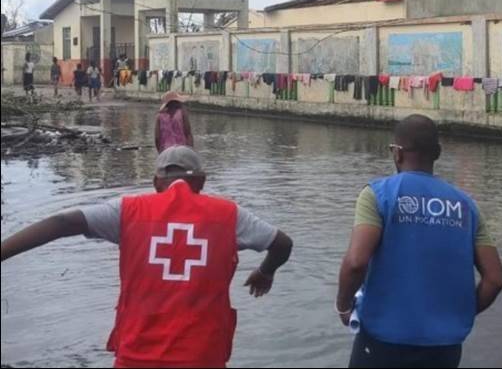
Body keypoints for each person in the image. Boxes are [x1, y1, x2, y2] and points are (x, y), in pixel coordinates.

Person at [1, 146, 293, 368]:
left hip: (138, 352)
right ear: (202, 182)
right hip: (202, 353)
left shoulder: (127, 211)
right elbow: (282, 244)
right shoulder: (230, 216)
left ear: (156, 182)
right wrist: (265, 272)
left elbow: (63, 223)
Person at [336, 115, 502, 369]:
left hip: (383, 343)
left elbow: (356, 262)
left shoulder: (379, 195)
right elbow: (495, 279)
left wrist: (343, 305)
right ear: (437, 153)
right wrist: (459, 314)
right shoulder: (466, 206)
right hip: (444, 349)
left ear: (397, 153)